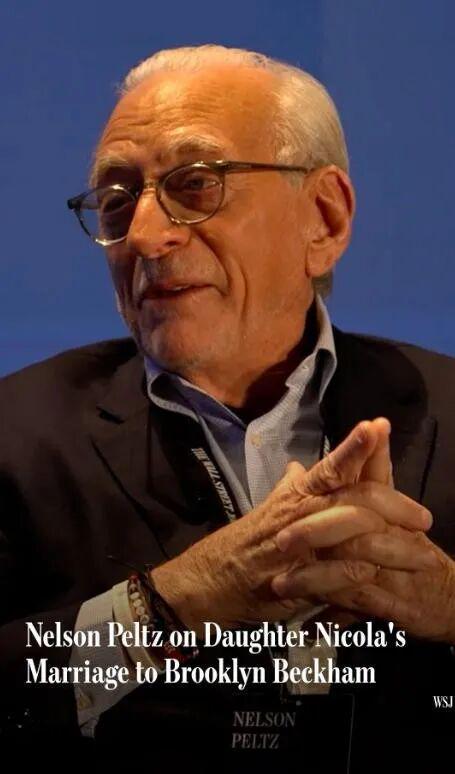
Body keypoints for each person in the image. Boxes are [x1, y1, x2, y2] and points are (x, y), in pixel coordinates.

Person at [1, 45, 454, 770]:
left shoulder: (447, 409)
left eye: (195, 184)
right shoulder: (16, 435)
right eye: (116, 200)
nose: (144, 236)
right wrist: (176, 603)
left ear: (324, 219)